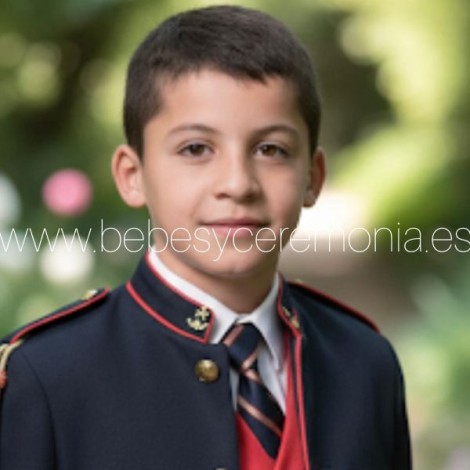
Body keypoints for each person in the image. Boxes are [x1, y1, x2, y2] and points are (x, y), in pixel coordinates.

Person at [0, 5, 411, 470]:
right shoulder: (46, 376)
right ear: (133, 175)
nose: (237, 184)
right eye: (196, 149)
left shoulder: (364, 363)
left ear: (313, 177)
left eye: (271, 149)